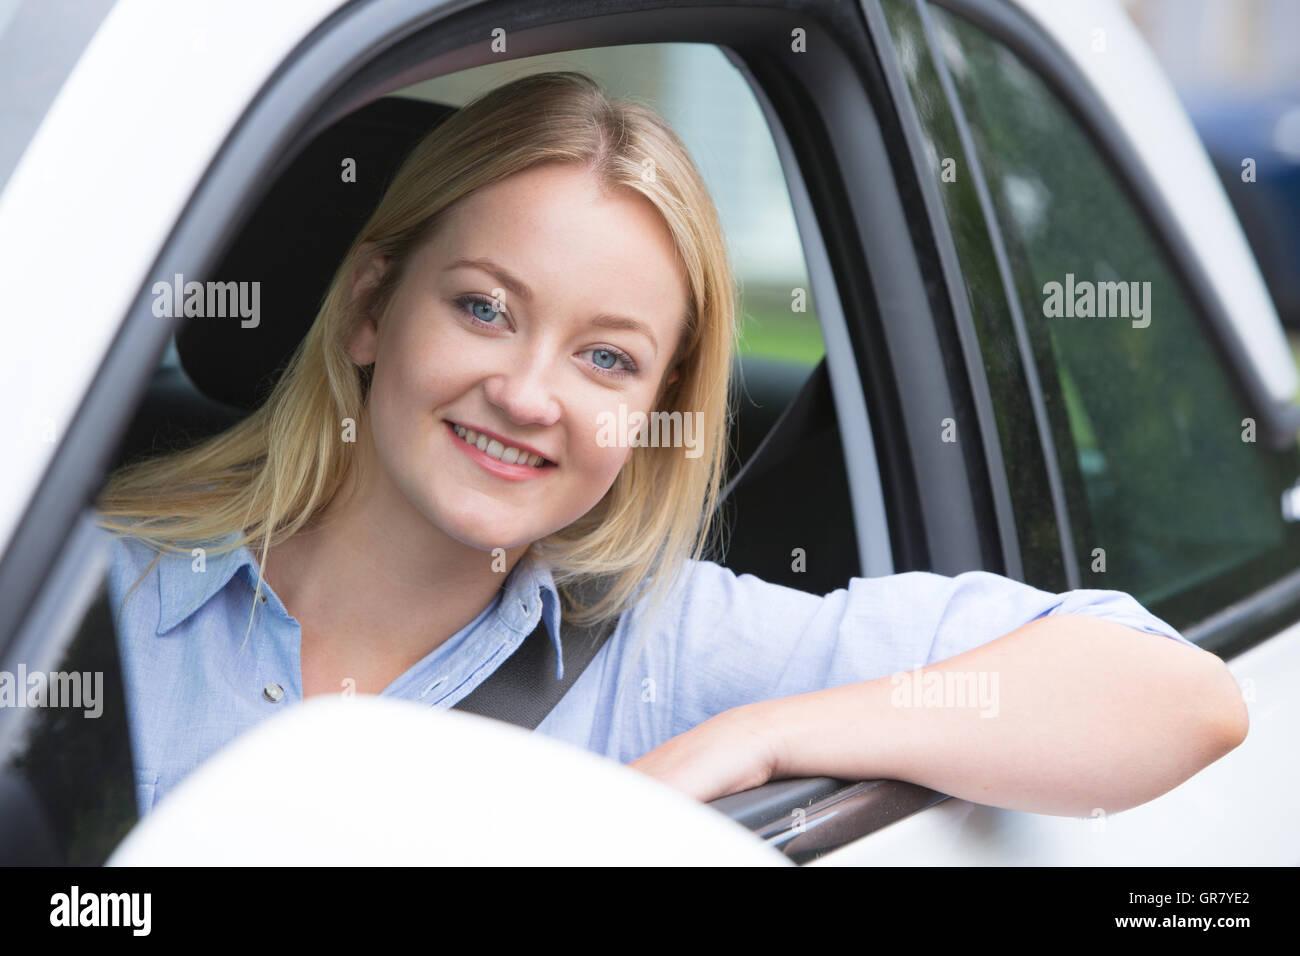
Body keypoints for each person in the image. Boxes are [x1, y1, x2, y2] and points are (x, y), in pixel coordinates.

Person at [97, 71, 1246, 820]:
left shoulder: (665, 648)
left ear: (656, 408)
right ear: (367, 310)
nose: (528, 392)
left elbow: (1176, 695)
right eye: (485, 307)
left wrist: (752, 738)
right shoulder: (90, 587)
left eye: (606, 358)